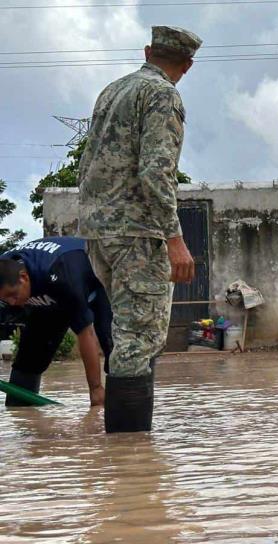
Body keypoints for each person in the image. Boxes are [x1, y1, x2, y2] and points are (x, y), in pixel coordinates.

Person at [77, 26, 201, 433]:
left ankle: (128, 466)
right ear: (187, 65)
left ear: (148, 51)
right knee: (138, 340)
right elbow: (155, 171)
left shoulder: (112, 91)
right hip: (136, 235)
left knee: (127, 331)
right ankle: (130, 464)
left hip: (99, 232)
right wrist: (175, 238)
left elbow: (88, 161)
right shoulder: (163, 95)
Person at [0, 237, 112, 407]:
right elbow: (12, 300)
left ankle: (123, 410)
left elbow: (86, 333)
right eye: (6, 299)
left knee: (114, 346)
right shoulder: (6, 273)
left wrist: (95, 389)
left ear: (23, 278)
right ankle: (22, 418)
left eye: (13, 295)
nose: (12, 303)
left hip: (93, 286)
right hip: (45, 295)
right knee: (28, 360)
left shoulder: (63, 276)